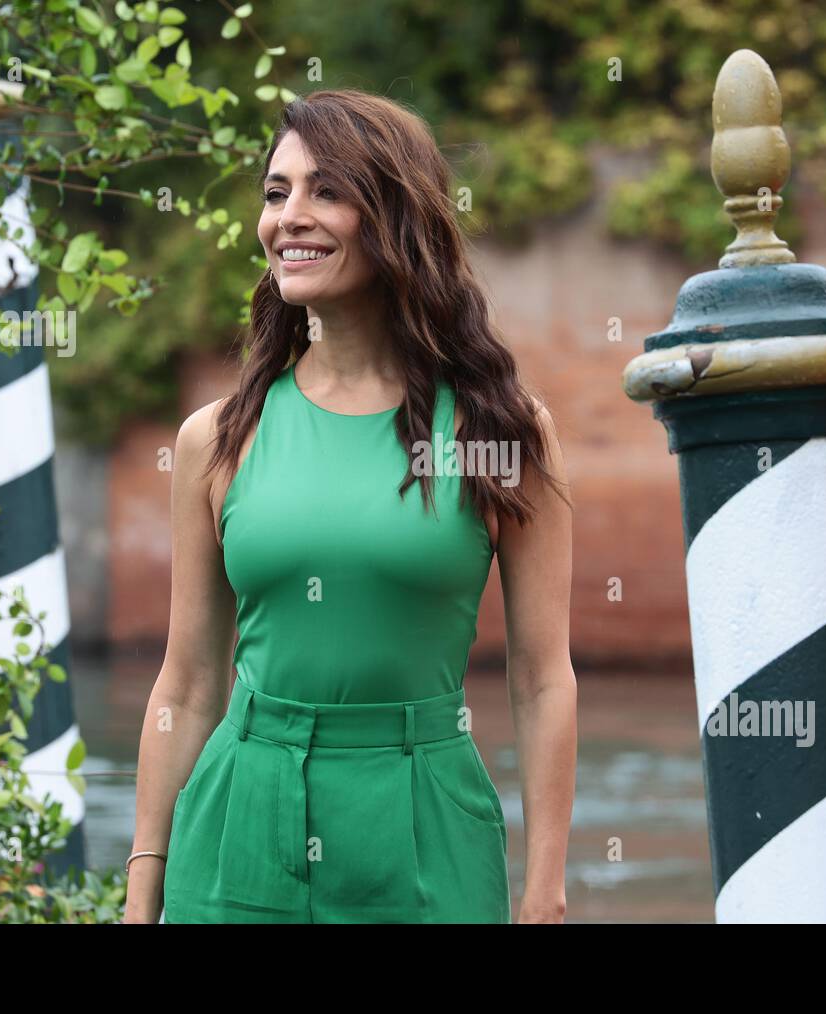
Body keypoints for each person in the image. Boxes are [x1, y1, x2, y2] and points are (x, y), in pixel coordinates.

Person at [123, 90, 576, 924]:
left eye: (324, 191)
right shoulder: (218, 439)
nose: (289, 216)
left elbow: (543, 678)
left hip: (426, 831)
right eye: (275, 192)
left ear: (396, 216)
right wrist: (143, 883)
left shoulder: (501, 433)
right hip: (237, 830)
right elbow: (187, 684)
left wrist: (544, 892)